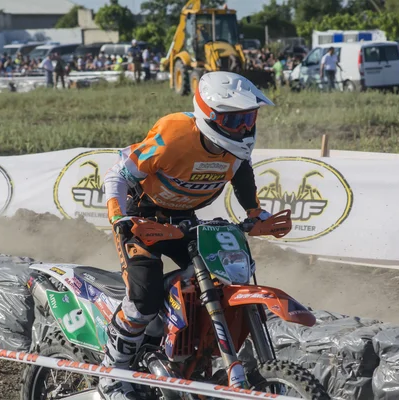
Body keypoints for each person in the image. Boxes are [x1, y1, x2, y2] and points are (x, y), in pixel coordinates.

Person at [98, 71, 291, 400]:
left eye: (250, 118)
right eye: (237, 120)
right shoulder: (175, 134)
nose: (245, 127)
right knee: (143, 300)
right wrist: (121, 218)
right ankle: (111, 375)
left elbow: (241, 169)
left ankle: (189, 350)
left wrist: (255, 213)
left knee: (223, 276)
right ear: (210, 116)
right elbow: (118, 173)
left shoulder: (234, 149)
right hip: (142, 215)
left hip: (183, 219)